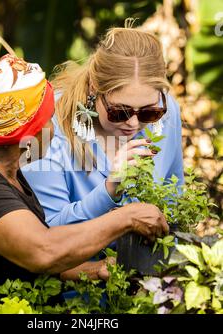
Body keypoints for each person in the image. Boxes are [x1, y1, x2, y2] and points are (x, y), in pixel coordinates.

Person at [0, 54, 168, 307]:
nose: (55, 127)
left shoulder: (11, 176)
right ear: (31, 131)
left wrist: (94, 269)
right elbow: (42, 251)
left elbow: (20, 259)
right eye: (50, 118)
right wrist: (126, 217)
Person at [22, 26, 184, 227]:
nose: (133, 123)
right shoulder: (44, 124)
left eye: (148, 113)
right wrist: (109, 190)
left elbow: (173, 197)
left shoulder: (168, 112)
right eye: (119, 112)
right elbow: (49, 233)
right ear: (94, 88)